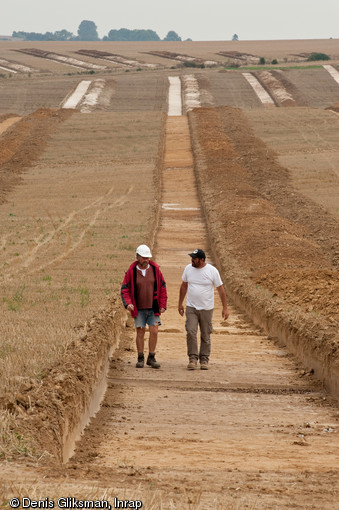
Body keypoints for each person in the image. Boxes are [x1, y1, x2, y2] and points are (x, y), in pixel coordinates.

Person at [178, 249, 229, 370]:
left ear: (201, 260)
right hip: (191, 307)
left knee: (205, 334)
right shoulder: (188, 269)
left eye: (194, 258)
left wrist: (225, 308)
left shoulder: (212, 271)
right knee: (191, 331)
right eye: (191, 258)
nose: (192, 260)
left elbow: (220, 289)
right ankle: (193, 358)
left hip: (206, 308)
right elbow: (184, 286)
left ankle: (204, 359)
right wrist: (180, 304)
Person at [121, 244, 167, 369]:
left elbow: (163, 287)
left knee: (154, 331)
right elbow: (124, 290)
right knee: (140, 332)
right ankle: (140, 358)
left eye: (148, 258)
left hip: (153, 308)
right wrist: (128, 303)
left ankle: (151, 357)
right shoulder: (131, 272)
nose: (146, 260)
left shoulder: (155, 270)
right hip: (139, 309)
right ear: (137, 257)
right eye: (144, 258)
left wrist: (163, 305)